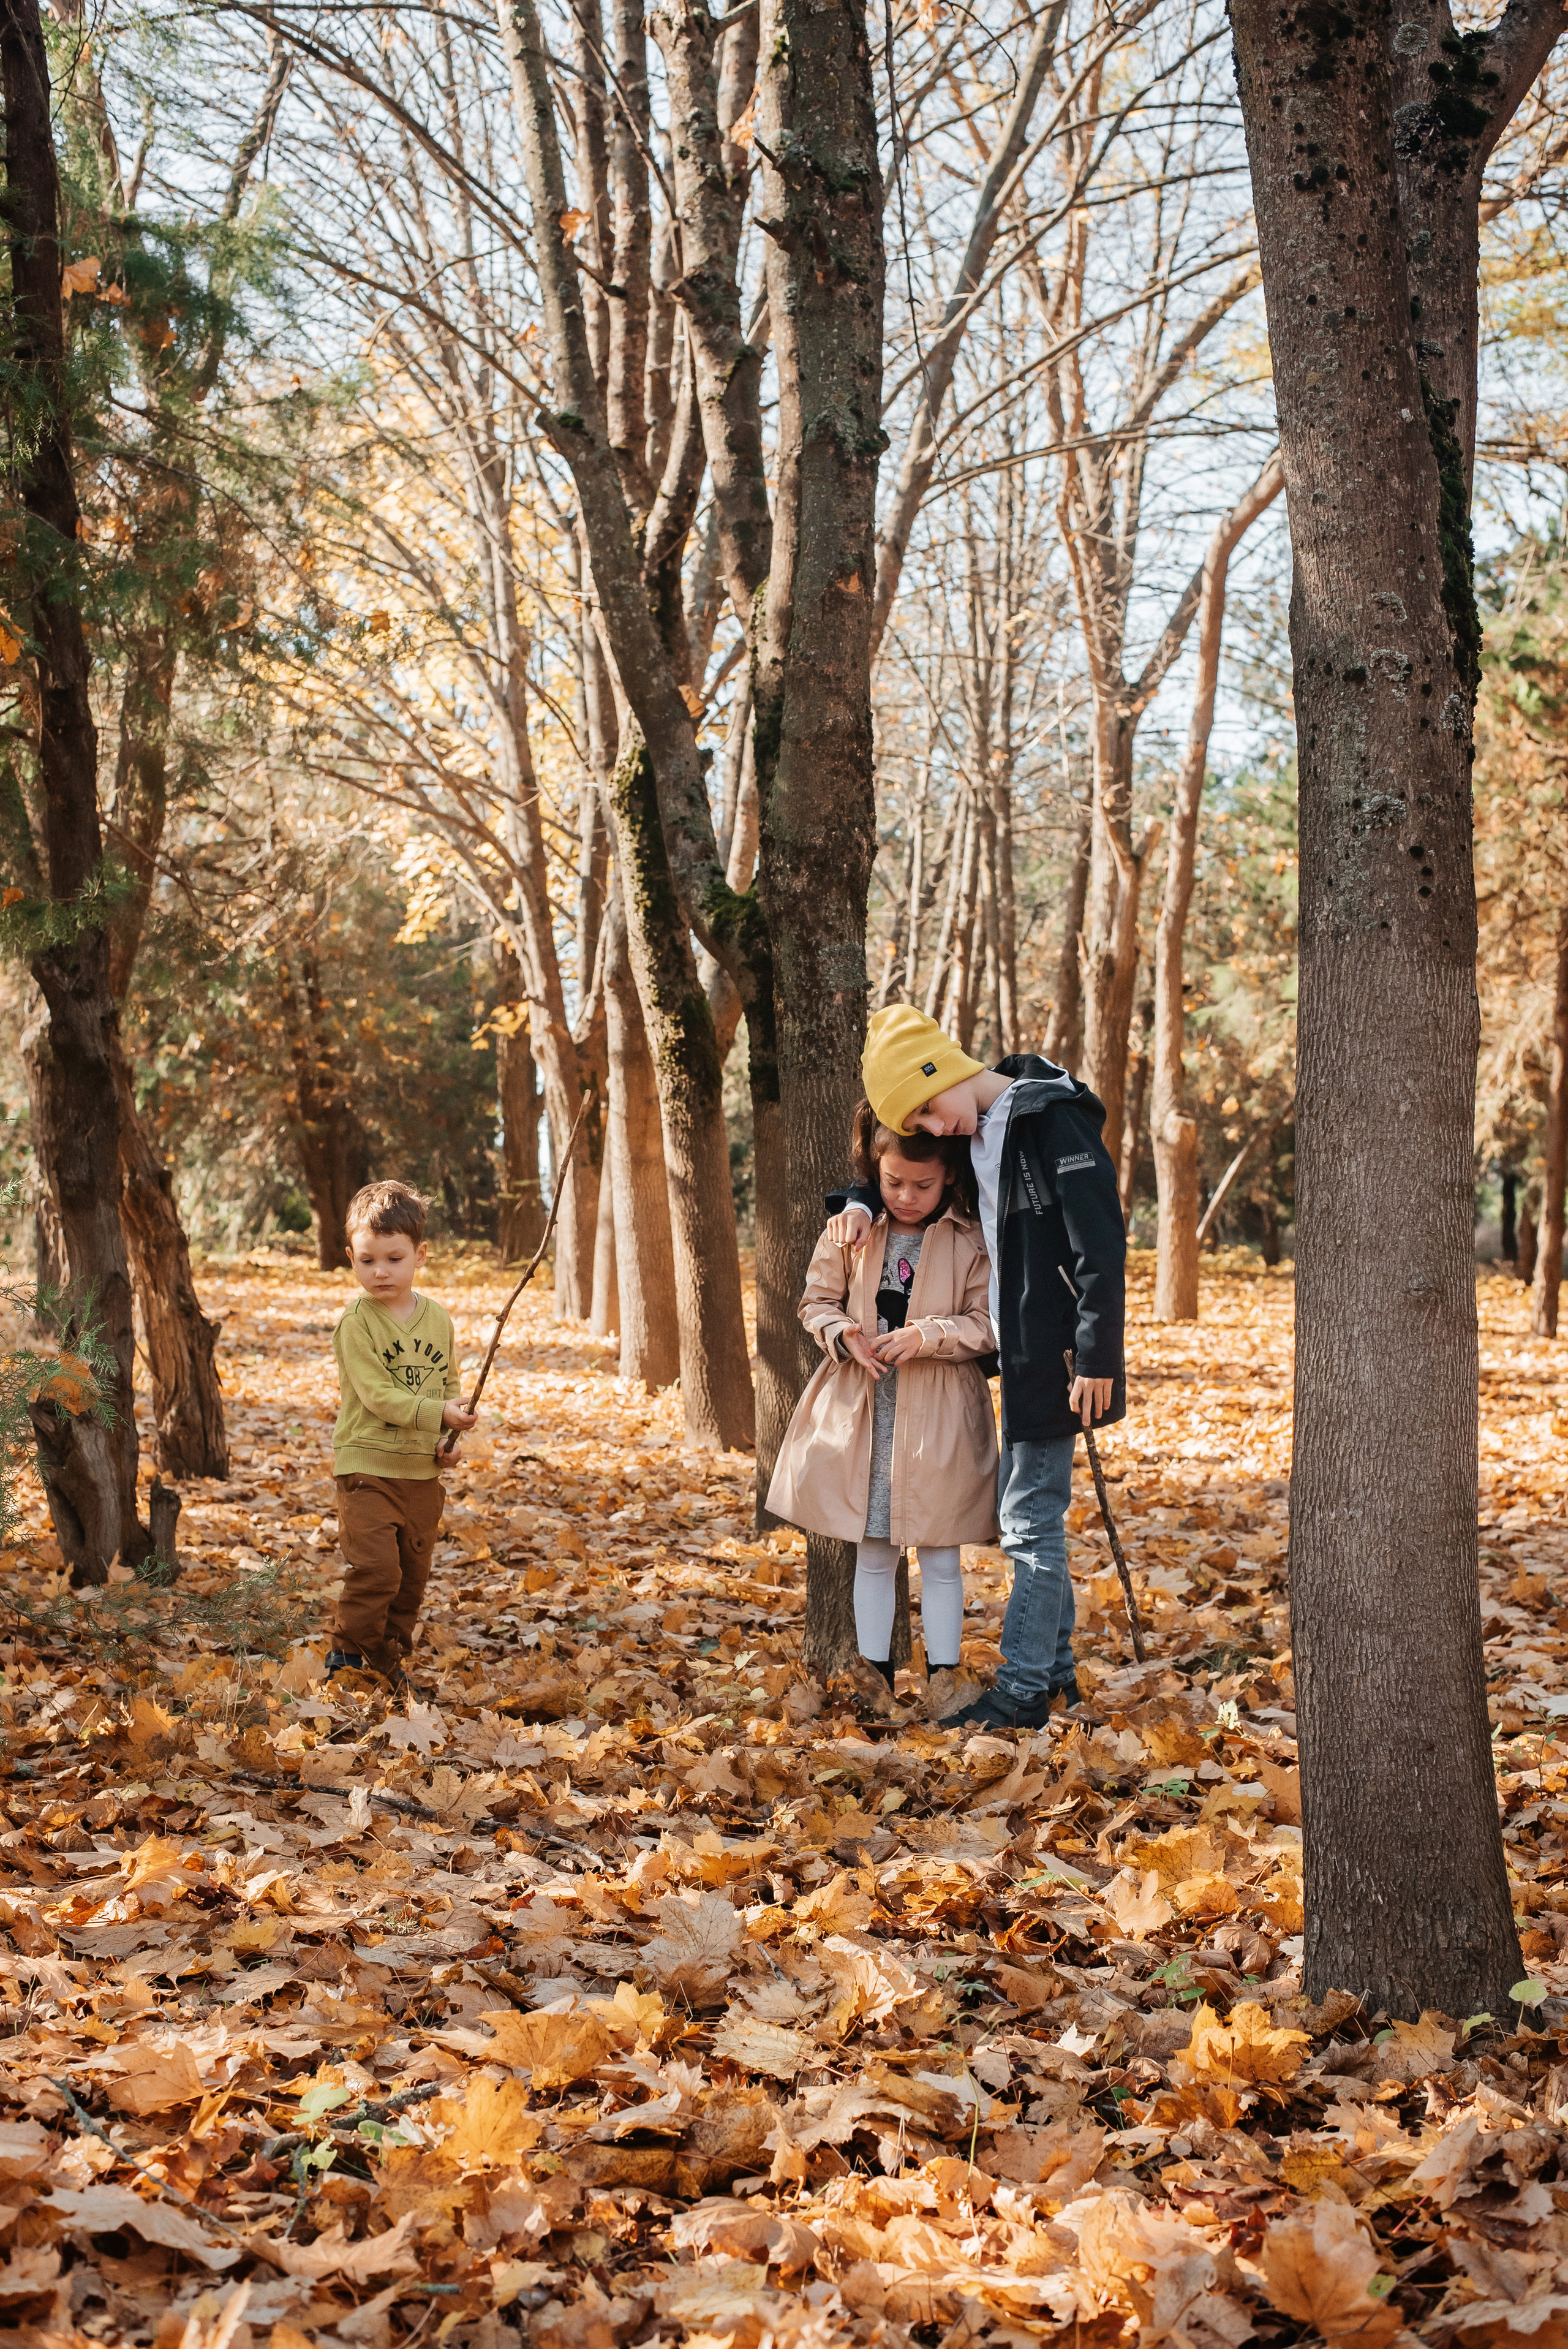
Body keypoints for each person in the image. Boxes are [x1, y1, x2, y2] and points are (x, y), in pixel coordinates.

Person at [825, 1004, 1126, 1733]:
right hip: (1014, 1351)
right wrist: (860, 1202)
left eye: (929, 1107)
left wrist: (1095, 1355)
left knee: (1029, 1523)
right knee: (1035, 1518)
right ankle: (1057, 1680)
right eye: (920, 1122)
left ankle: (1022, 1692)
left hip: (1058, 1355)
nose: (934, 1128)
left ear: (943, 1068)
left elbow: (1101, 1243)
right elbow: (906, 1178)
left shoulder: (1050, 1121)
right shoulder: (974, 1128)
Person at [767, 1099, 998, 1713]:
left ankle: (945, 1679)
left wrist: (928, 1336)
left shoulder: (970, 1238)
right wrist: (842, 1333)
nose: (906, 1196)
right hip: (863, 1408)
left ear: (949, 1174)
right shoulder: (851, 1228)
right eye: (893, 1182)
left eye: (922, 1185)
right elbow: (815, 1300)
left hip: (941, 1412)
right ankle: (875, 1677)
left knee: (942, 1551)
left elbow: (987, 1323)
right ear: (875, 1167)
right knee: (873, 1549)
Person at [328, 1180, 477, 1687]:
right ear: (351, 1257)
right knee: (377, 1571)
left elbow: (449, 1384)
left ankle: (386, 1662)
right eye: (367, 1260)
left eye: (394, 1258)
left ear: (420, 1254)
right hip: (367, 1468)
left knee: (410, 1581)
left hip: (422, 1473)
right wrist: (437, 1413)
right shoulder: (357, 1323)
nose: (381, 1272)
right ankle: (347, 1660)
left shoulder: (437, 1318)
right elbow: (376, 1395)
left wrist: (450, 1434)